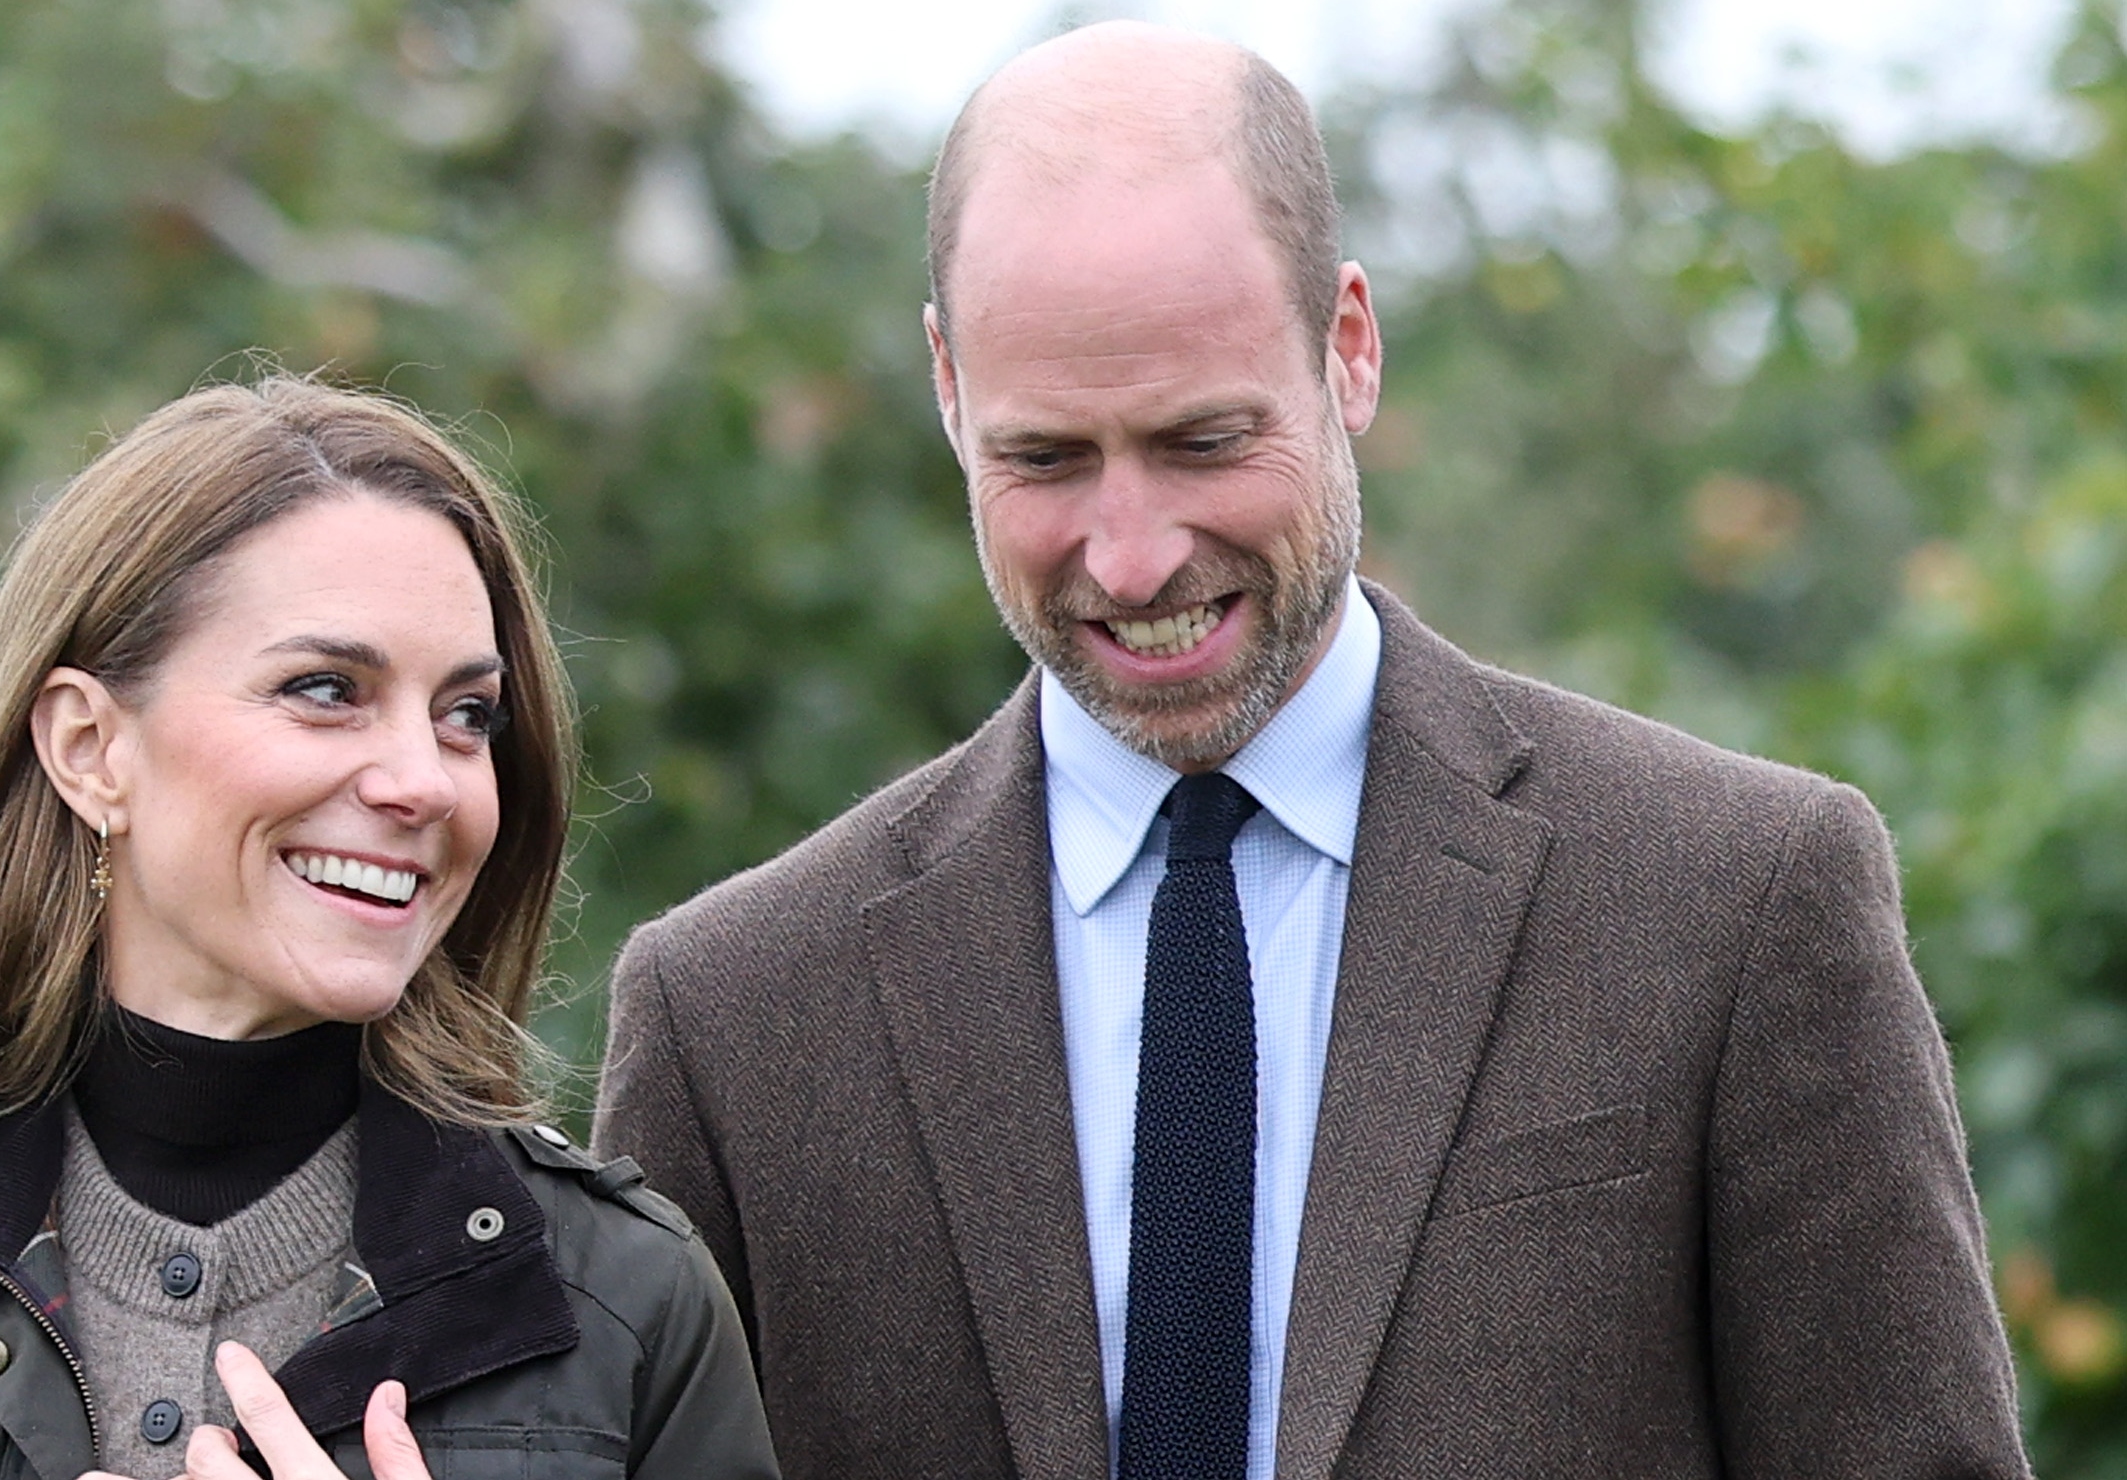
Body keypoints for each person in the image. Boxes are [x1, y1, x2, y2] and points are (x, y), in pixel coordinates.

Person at [594, 21, 2029, 1480]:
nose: (1133, 554)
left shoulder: (1737, 903)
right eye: (1044, 460)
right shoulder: (731, 1018)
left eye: (1204, 440)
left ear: (1346, 348)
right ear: (947, 389)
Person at [0, 378, 778, 1480]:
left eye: (465, 715)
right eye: (326, 688)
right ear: (89, 747)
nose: (424, 781)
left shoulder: (628, 1304)